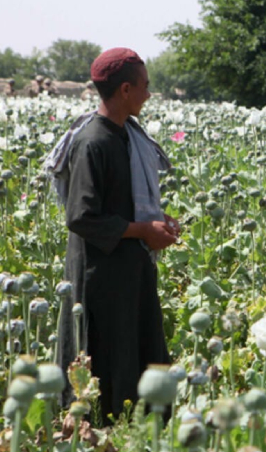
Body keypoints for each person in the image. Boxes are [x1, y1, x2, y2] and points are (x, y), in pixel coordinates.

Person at [48, 48, 180, 420]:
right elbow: (81, 217)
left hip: (130, 271)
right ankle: (104, 442)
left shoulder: (126, 136)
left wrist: (158, 220)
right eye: (145, 87)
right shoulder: (93, 142)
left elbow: (125, 203)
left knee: (136, 354)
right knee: (109, 361)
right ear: (125, 90)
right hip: (101, 279)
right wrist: (142, 229)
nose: (149, 94)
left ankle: (140, 433)